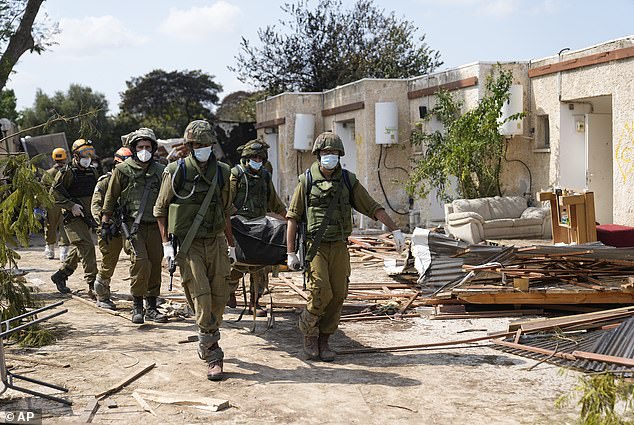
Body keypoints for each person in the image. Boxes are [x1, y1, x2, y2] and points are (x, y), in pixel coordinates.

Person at [286, 131, 406, 362]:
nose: (329, 156)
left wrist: (395, 228)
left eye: (333, 152)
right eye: (325, 152)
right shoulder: (306, 181)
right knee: (321, 290)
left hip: (340, 246)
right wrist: (290, 253)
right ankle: (309, 333)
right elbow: (293, 218)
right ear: (317, 155)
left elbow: (371, 206)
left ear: (340, 155)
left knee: (339, 294)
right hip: (315, 247)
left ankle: (325, 340)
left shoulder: (348, 181)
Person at [154, 120, 234, 381]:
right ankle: (212, 352)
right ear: (189, 146)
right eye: (196, 145)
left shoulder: (223, 172)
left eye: (205, 145)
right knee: (202, 296)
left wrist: (232, 245)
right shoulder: (175, 171)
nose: (201, 149)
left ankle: (207, 338)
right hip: (188, 245)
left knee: (220, 297)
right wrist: (166, 245)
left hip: (216, 241)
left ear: (212, 145)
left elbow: (226, 212)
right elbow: (160, 210)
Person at [101, 128, 167, 324]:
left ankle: (152, 306)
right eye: (140, 147)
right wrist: (104, 225)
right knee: (140, 262)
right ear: (134, 148)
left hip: (156, 226)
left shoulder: (161, 171)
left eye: (148, 146)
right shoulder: (122, 170)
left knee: (155, 264)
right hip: (132, 226)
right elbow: (110, 199)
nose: (144, 150)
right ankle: (137, 305)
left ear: (153, 148)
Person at [228, 139, 286, 315]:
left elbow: (275, 202)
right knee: (236, 265)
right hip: (238, 227)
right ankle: (228, 291)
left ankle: (254, 302)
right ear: (246, 158)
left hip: (259, 227)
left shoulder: (265, 176)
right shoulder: (235, 175)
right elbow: (226, 203)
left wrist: (291, 217)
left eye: (260, 158)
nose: (257, 161)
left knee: (261, 266)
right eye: (254, 158)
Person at [50, 139, 99, 295]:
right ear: (76, 155)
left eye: (90, 153)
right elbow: (54, 193)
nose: (88, 157)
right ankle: (93, 284)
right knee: (87, 246)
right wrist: (71, 206)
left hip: (87, 215)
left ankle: (61, 275)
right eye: (85, 153)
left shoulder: (93, 171)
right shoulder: (67, 172)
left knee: (81, 248)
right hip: (73, 217)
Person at [90, 145, 133, 310]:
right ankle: (102, 295)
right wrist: (104, 224)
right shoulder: (105, 181)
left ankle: (144, 295)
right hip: (111, 229)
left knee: (138, 259)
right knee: (108, 262)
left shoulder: (134, 180)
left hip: (129, 228)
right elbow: (96, 206)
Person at [43, 148, 71, 260]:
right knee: (64, 226)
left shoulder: (48, 173)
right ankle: (64, 253)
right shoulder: (69, 172)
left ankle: (50, 250)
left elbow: (43, 191)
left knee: (50, 225)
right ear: (65, 157)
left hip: (51, 204)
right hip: (65, 203)